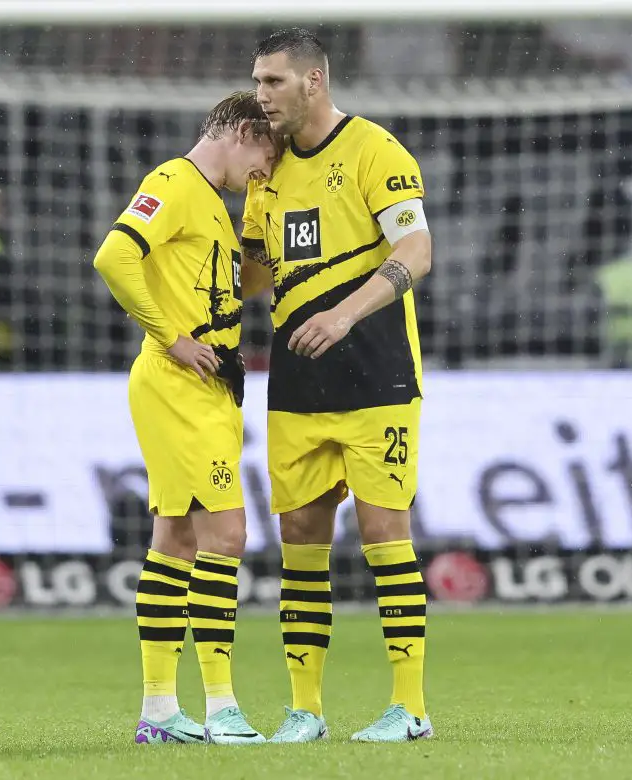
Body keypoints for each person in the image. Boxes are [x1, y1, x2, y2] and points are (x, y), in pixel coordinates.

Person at [244, 28, 435, 743]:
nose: (262, 96)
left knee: (385, 529)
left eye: (273, 82)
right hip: (296, 384)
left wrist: (344, 312)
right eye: (258, 83)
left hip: (378, 375)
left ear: (313, 81)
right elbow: (259, 276)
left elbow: (417, 250)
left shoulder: (374, 152)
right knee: (298, 536)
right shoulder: (266, 174)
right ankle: (305, 711)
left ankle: (410, 707)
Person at [92, 90, 280, 746]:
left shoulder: (215, 206)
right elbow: (113, 258)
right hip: (177, 382)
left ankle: (159, 712)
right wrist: (171, 337)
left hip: (214, 385)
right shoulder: (172, 181)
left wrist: (259, 223)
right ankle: (222, 707)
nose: (267, 168)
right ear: (237, 130)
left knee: (177, 541)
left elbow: (239, 288)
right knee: (227, 536)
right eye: (265, 153)